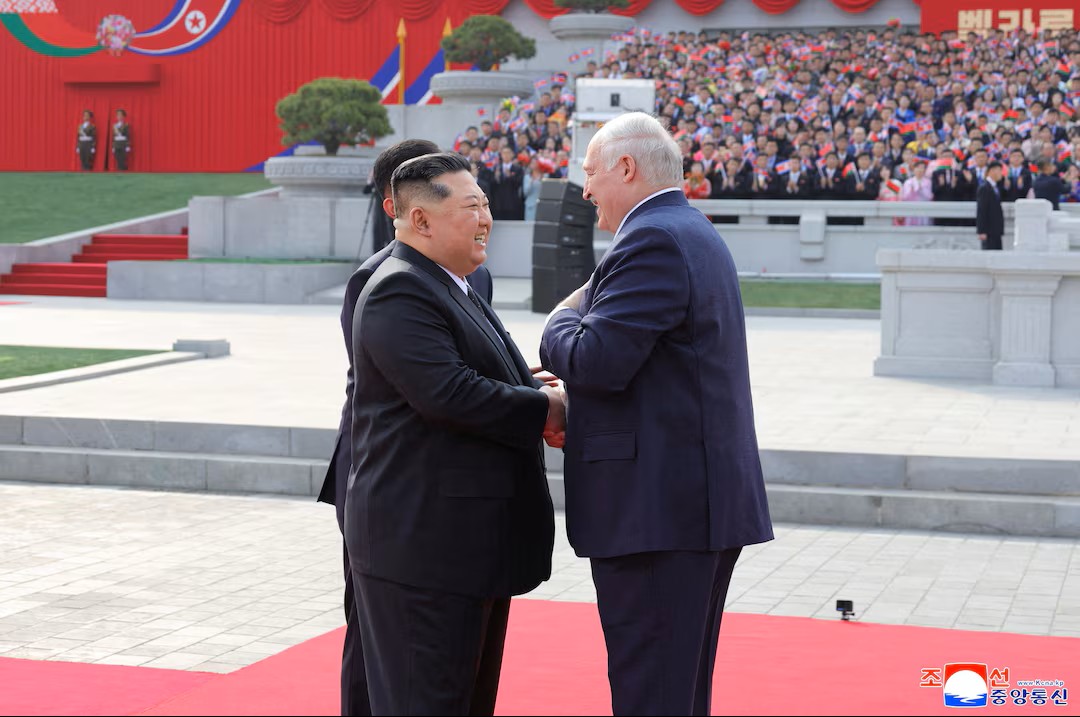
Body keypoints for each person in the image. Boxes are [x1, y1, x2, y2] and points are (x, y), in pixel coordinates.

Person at [539, 112, 774, 716]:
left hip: (660, 513)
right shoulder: (686, 228)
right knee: (676, 689)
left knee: (653, 691)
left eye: (590, 172)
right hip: (685, 506)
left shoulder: (653, 239)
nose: (585, 190)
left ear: (626, 167)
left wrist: (560, 318)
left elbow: (594, 359)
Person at [347, 152, 562, 715]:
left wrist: (527, 386)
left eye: (485, 204)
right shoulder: (399, 288)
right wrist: (546, 408)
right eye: (472, 207)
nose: (486, 218)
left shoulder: (453, 282)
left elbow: (472, 372)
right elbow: (448, 393)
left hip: (464, 548)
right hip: (424, 552)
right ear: (420, 219)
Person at [317, 139, 494, 717]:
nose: (478, 215)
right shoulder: (381, 280)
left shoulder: (471, 272)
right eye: (463, 203)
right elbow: (420, 381)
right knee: (374, 633)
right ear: (402, 208)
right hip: (386, 471)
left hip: (447, 485)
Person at [975, 160, 1005, 251]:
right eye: (999, 170)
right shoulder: (984, 188)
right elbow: (981, 210)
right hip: (988, 231)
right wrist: (982, 231)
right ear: (992, 171)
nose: (1001, 173)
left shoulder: (995, 187)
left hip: (996, 230)